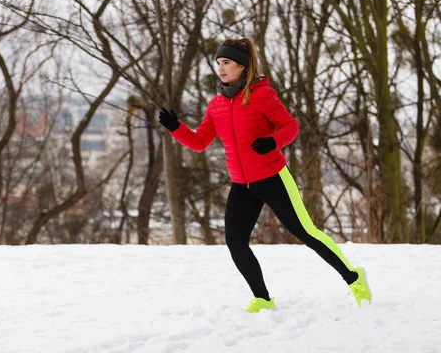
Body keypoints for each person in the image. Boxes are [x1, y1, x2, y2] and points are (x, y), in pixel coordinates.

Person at [158, 37, 372, 313]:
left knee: (305, 232)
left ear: (242, 67)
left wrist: (273, 141)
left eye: (227, 63)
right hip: (241, 183)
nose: (221, 68)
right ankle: (262, 298)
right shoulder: (216, 105)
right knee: (235, 242)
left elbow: (290, 126)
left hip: (272, 177)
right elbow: (199, 142)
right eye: (218, 63)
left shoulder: (262, 95)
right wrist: (176, 127)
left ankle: (354, 279)